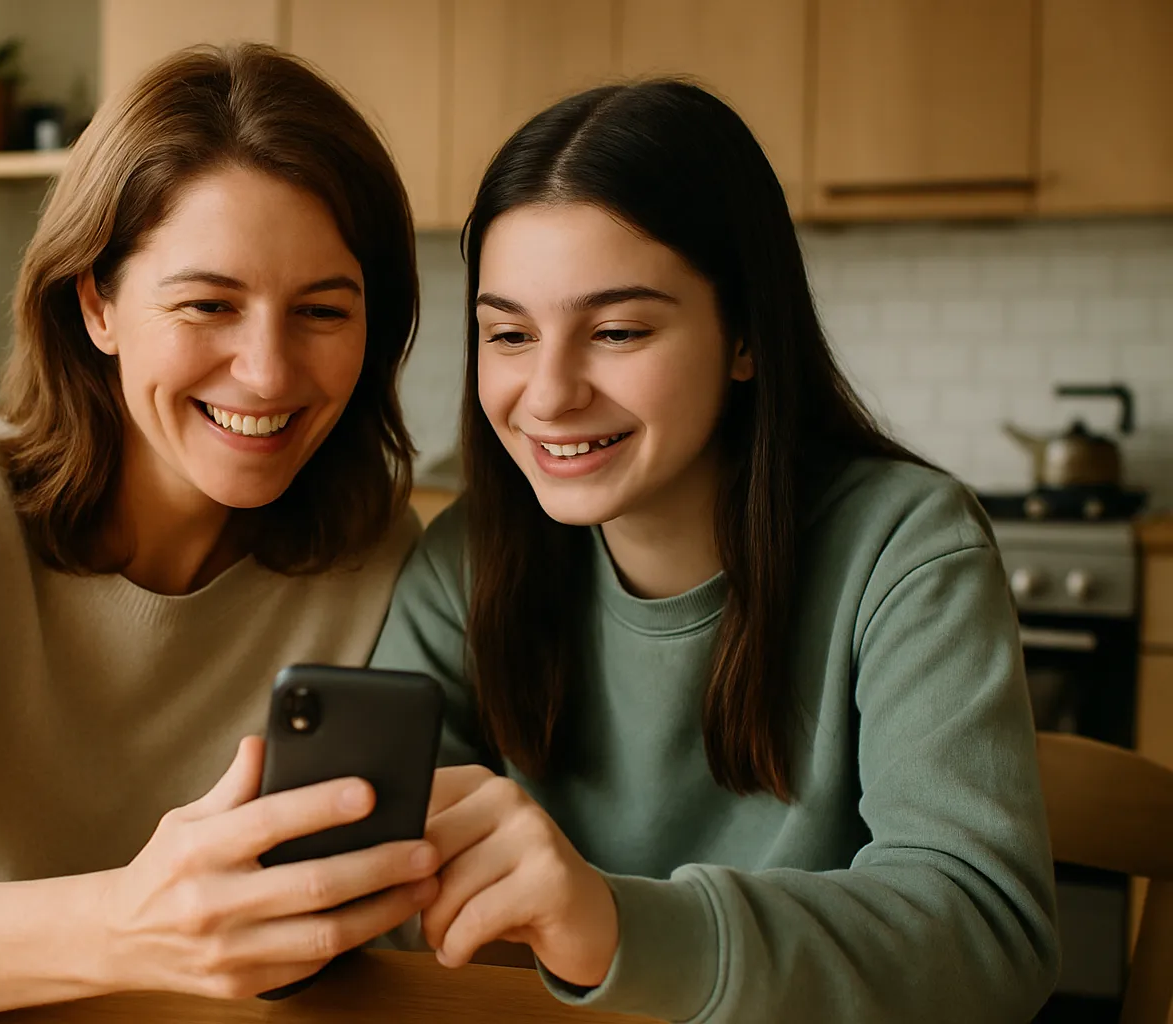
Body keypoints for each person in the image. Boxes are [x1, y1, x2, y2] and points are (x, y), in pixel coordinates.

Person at [0, 45, 442, 1024]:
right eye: (208, 304)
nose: (270, 372)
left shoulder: (379, 546)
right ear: (96, 302)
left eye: (323, 310)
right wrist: (129, 925)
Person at [372, 79, 1060, 1021]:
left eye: (617, 331)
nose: (549, 393)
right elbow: (382, 892)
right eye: (509, 334)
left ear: (744, 335)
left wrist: (618, 924)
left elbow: (986, 935)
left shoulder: (906, 550)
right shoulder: (467, 559)